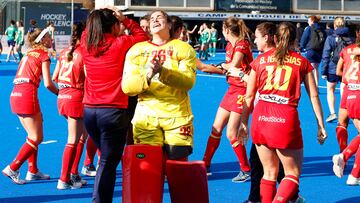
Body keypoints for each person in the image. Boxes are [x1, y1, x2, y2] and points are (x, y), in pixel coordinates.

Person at [238, 22, 327, 203]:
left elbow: (249, 96)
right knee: (292, 173)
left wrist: (243, 123)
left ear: (275, 38)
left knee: (269, 173)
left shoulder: (260, 61)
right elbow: (314, 96)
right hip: (285, 118)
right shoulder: (302, 62)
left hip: (261, 117)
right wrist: (320, 124)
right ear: (295, 39)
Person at [228, 22, 303, 203]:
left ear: (268, 38)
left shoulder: (267, 59)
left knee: (268, 167)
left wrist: (240, 75)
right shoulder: (274, 57)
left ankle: (284, 196)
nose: (254, 40)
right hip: (273, 116)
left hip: (267, 117)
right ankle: (286, 196)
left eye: (257, 36)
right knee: (268, 166)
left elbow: (261, 90)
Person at [80, 7, 148, 202]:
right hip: (113, 111)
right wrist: (125, 19)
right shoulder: (121, 43)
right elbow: (142, 37)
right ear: (113, 26)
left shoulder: (86, 43)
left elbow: (88, 31)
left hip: (90, 110)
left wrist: (102, 16)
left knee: (106, 160)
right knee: (108, 163)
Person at [122, 10, 196, 159]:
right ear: (148, 27)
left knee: (177, 166)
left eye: (159, 17)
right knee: (149, 169)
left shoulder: (183, 48)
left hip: (177, 116)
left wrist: (162, 72)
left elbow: (188, 82)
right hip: (146, 117)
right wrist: (148, 76)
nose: (155, 20)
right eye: (152, 19)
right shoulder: (136, 50)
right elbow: (127, 87)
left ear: (169, 24)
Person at [2, 27, 59, 184]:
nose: (51, 39)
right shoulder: (43, 56)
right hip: (28, 94)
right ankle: (13, 167)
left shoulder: (27, 54)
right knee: (37, 137)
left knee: (32, 134)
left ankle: (32, 170)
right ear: (42, 40)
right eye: (48, 36)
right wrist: (61, 94)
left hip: (15, 93)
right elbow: (48, 84)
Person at [202, 17, 252, 182]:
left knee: (232, 133)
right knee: (216, 128)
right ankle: (205, 164)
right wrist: (216, 69)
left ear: (226, 30)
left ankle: (246, 169)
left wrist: (217, 66)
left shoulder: (242, 44)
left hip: (243, 90)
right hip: (232, 89)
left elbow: (234, 65)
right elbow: (228, 68)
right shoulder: (230, 45)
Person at [52, 22, 87, 190]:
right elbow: (89, 78)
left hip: (63, 95)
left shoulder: (65, 52)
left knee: (81, 136)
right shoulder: (84, 52)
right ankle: (64, 178)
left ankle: (73, 174)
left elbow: (54, 77)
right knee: (73, 139)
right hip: (76, 96)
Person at [332, 25, 360, 185]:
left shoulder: (348, 49)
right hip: (358, 92)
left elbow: (338, 71)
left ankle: (343, 154)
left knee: (342, 123)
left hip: (348, 89)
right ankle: (351, 170)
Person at [321, 17, 352, 123]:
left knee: (330, 89)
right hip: (346, 68)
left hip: (332, 67)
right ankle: (344, 112)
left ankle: (333, 113)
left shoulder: (330, 38)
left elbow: (326, 55)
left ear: (334, 26)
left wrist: (323, 71)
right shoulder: (350, 39)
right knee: (344, 90)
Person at [300, 15, 325, 87]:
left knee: (311, 69)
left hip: (311, 49)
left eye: (308, 20)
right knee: (316, 68)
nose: (307, 21)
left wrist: (302, 47)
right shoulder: (321, 29)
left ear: (311, 20)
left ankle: (313, 86)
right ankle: (316, 85)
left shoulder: (309, 28)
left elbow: (304, 39)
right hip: (319, 50)